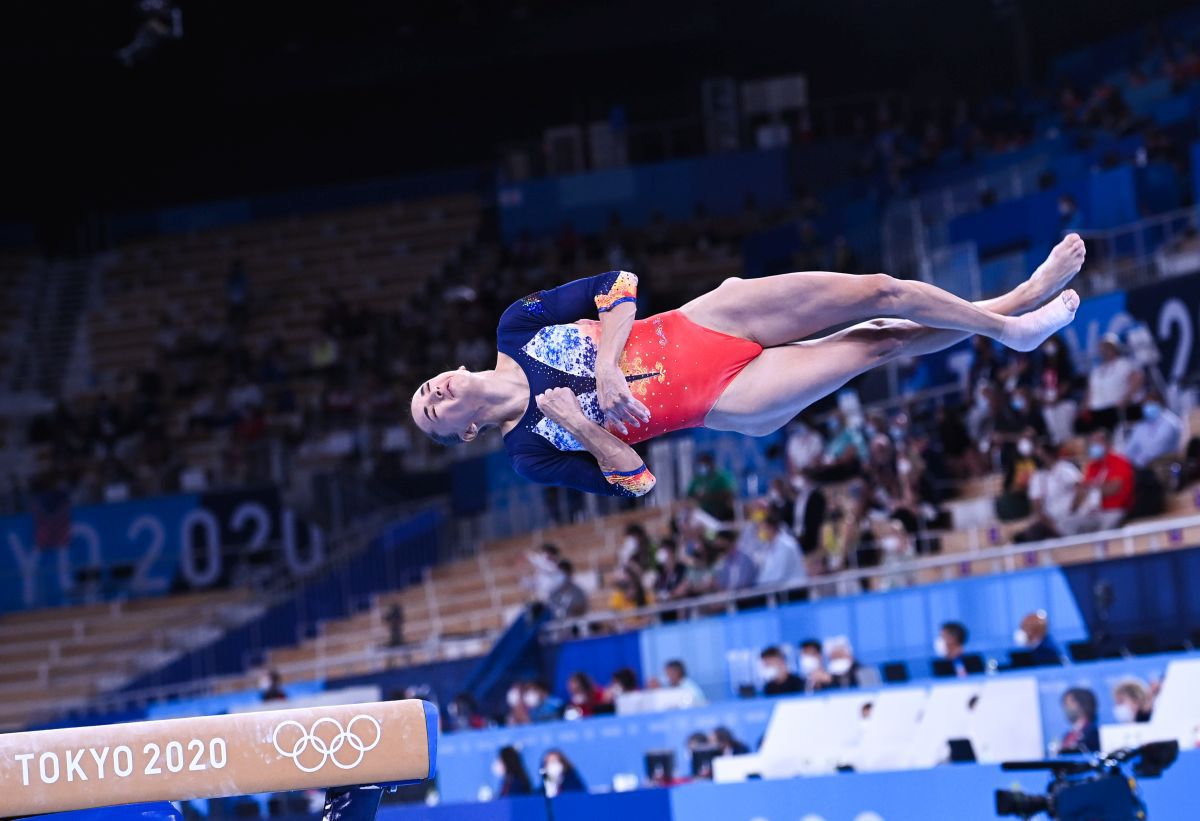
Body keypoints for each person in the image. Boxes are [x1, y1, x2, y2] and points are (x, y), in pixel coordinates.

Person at [412, 236, 1087, 497]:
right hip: (725, 396)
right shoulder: (529, 452)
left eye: (426, 388)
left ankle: (1012, 315)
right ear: (465, 432)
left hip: (707, 321)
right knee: (877, 342)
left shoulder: (516, 326)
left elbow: (618, 283)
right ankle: (1014, 314)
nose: (434, 391)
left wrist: (610, 366)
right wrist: (582, 427)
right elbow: (639, 483)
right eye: (432, 410)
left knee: (879, 290)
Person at [1059, 430, 1135, 535]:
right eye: (1092, 443)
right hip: (1094, 512)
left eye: (1097, 443)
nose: (1093, 446)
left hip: (1114, 510)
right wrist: (1074, 507)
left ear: (1107, 444)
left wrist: (1093, 487)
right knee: (1066, 524)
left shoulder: (1120, 462)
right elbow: (1083, 489)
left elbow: (1113, 489)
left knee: (1103, 533)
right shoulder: (1093, 465)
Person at [1014, 441, 1082, 544]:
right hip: (1050, 521)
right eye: (1037, 456)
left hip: (1071, 516)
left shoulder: (1064, 468)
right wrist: (1050, 524)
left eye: (1041, 455)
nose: (1039, 458)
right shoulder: (1037, 477)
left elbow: (1081, 489)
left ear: (1049, 455)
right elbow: (1036, 506)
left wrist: (1073, 509)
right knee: (1029, 534)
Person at [1079, 334, 1143, 433]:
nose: (1105, 350)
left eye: (1108, 347)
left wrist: (1126, 399)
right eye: (1103, 347)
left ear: (1115, 348)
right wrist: (1085, 407)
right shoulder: (1096, 371)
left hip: (1117, 409)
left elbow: (1137, 380)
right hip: (1098, 410)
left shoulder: (1124, 364)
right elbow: (1090, 391)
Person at [1119, 390, 1182, 468]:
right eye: (1145, 404)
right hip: (1143, 467)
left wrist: (1140, 459)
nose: (1147, 406)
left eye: (1150, 403)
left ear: (1159, 403)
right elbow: (1129, 450)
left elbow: (1156, 448)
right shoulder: (1141, 425)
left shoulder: (1171, 422)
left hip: (1165, 464)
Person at [748, 510, 804, 588]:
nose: (759, 532)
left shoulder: (786, 545)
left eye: (762, 528)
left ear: (771, 528)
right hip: (779, 589)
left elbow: (777, 575)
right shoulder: (768, 546)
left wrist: (758, 588)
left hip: (794, 589)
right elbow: (765, 575)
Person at [688, 452, 737, 520]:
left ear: (712, 463)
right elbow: (689, 494)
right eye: (701, 464)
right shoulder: (698, 478)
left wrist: (708, 496)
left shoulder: (722, 477)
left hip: (722, 513)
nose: (703, 466)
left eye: (705, 464)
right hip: (703, 514)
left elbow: (730, 493)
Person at [1058, 688, 1100, 755]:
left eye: (1069, 703)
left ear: (1083, 704)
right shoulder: (1068, 735)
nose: (1066, 707)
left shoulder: (1094, 733)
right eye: (1065, 704)